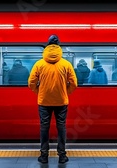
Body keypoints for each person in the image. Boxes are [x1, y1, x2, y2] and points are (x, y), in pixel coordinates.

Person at [28, 34, 77, 164]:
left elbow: (31, 82)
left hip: (44, 101)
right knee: (61, 127)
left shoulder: (39, 64)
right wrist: (65, 92)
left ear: (47, 46)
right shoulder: (66, 64)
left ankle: (44, 156)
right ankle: (62, 156)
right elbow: (74, 83)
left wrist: (40, 92)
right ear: (58, 47)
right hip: (61, 101)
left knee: (44, 127)